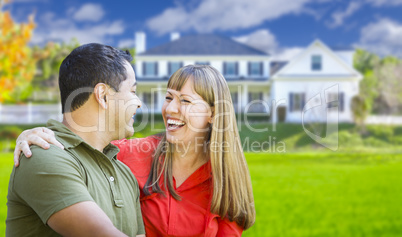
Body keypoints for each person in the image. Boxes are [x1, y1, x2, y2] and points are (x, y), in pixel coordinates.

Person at [14, 65, 256, 236]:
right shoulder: (132, 153)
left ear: (212, 114)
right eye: (169, 97)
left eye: (185, 101)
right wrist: (39, 134)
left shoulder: (225, 182)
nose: (170, 109)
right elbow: (82, 144)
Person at [7, 43, 145, 237]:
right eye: (132, 91)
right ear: (103, 96)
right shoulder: (42, 155)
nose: (138, 102)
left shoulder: (124, 173)